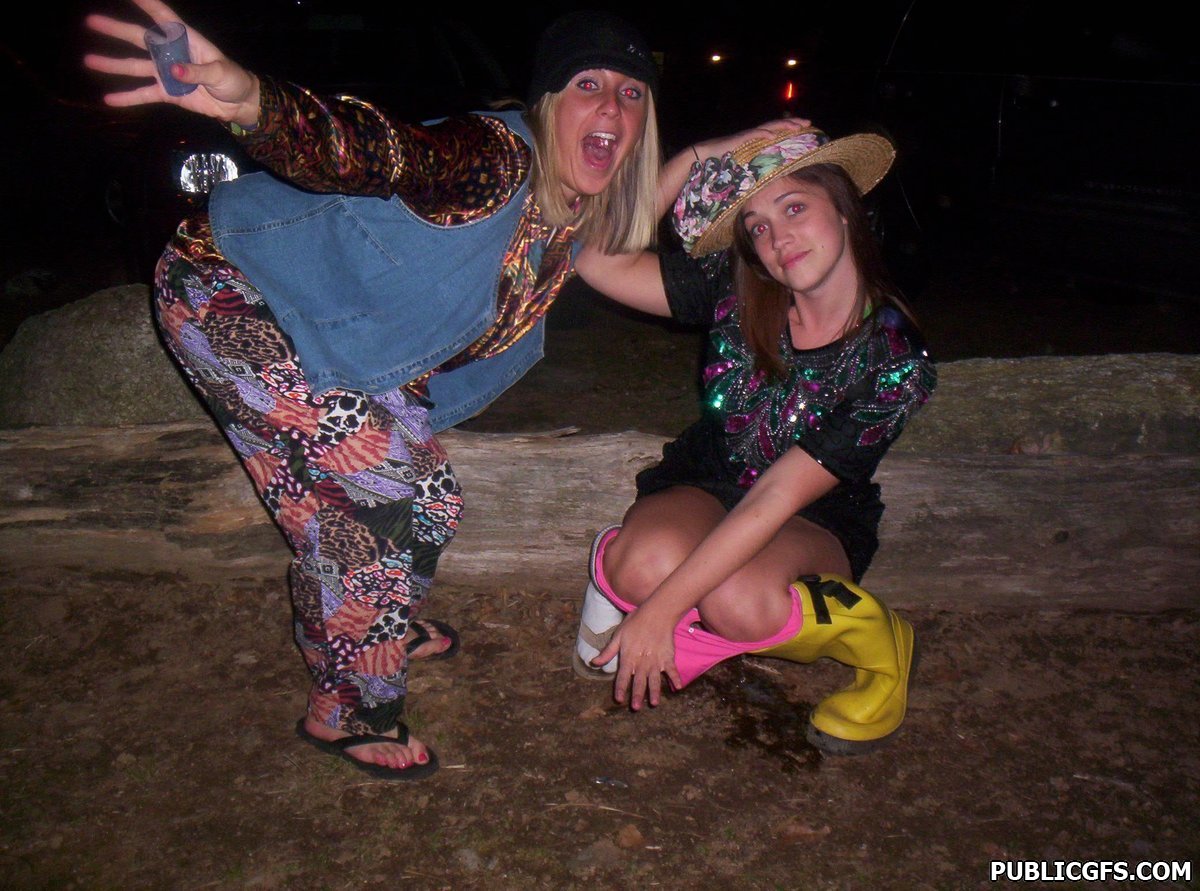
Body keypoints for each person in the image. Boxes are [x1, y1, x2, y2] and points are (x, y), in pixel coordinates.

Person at [82, 0, 683, 781]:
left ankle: (374, 620)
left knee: (434, 499)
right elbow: (381, 152)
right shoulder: (497, 157)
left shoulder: (568, 213)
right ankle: (346, 706)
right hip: (228, 286)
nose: (612, 107)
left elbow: (627, 235)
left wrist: (708, 160)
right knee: (377, 498)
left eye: (632, 93)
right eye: (588, 85)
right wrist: (255, 102)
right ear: (546, 103)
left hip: (325, 323)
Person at [572, 127, 937, 755]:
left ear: (844, 210)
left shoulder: (894, 359)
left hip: (810, 514)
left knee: (738, 600)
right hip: (707, 477)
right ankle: (656, 597)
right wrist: (697, 155)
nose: (777, 239)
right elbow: (594, 259)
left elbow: (774, 498)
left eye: (794, 207)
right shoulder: (738, 288)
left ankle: (885, 646)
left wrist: (661, 613)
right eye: (758, 227)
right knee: (641, 566)